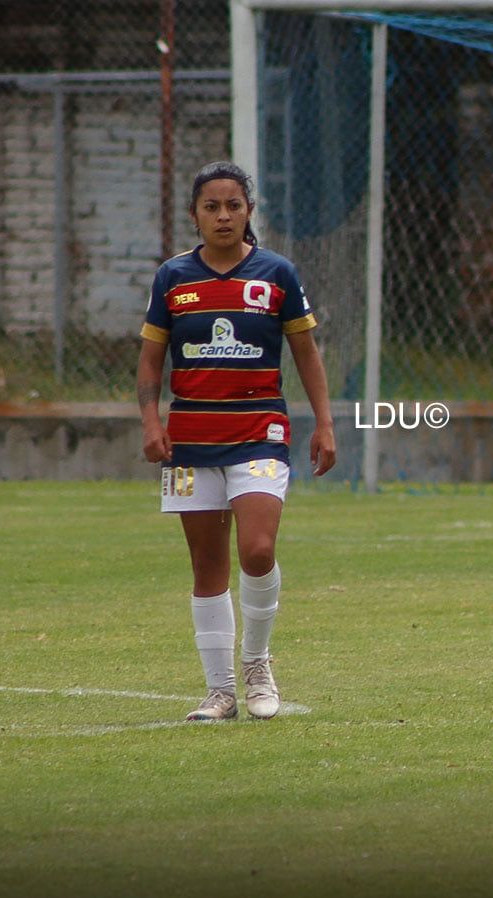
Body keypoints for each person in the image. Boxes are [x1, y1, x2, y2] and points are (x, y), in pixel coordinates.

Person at [137, 160, 336, 721]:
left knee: (257, 549)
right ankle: (220, 691)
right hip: (189, 441)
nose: (223, 215)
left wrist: (324, 423)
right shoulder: (172, 279)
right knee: (206, 567)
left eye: (233, 205)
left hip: (259, 434)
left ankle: (257, 663)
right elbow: (152, 358)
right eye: (211, 206)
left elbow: (307, 353)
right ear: (195, 215)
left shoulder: (276, 275)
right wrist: (152, 422)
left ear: (249, 213)